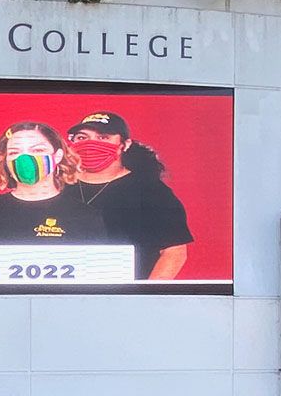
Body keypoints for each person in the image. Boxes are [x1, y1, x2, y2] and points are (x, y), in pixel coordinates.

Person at [65, 111, 193, 280]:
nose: (91, 144)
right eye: (82, 137)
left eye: (103, 137)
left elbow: (174, 252)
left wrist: (147, 297)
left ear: (124, 145)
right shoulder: (56, 185)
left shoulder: (150, 191)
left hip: (125, 295)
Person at [0, 122, 107, 244]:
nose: (25, 158)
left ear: (57, 156)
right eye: (14, 152)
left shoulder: (85, 216)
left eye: (37, 150)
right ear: (5, 161)